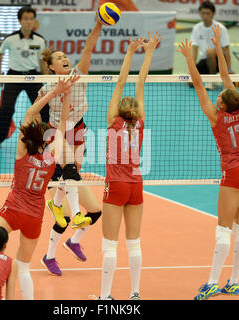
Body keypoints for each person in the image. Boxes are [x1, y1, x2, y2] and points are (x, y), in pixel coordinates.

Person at [177, 25, 239, 300]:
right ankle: (233, 282)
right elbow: (226, 74)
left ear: (223, 104)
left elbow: (198, 84)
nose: (215, 96)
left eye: (218, 97)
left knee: (223, 229)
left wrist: (188, 58)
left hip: (234, 173)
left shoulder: (216, 116)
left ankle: (213, 283)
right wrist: (218, 45)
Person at [0, 75, 80, 300]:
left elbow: (29, 114)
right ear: (45, 140)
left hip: (14, 210)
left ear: (27, 137)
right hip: (35, 217)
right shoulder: (51, 156)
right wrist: (66, 95)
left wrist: (54, 92)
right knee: (24, 268)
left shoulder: (22, 154)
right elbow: (65, 123)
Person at [38, 19, 104, 273]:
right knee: (71, 175)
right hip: (56, 134)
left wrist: (98, 24)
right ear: (51, 67)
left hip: (77, 130)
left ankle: (71, 238)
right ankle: (70, 216)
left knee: (95, 210)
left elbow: (88, 47)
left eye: (65, 55)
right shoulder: (46, 88)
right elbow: (37, 117)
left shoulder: (78, 75)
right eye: (59, 57)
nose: (65, 58)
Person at [99, 33, 161, 301]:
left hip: (116, 186)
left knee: (109, 245)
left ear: (118, 110)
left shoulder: (113, 120)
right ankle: (135, 292)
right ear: (134, 111)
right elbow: (139, 83)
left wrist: (130, 53)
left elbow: (122, 81)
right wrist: (148, 53)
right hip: (136, 186)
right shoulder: (141, 123)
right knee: (133, 241)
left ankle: (105, 296)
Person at [0, 6, 49, 149]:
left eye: (31, 19)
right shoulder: (11, 39)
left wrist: (46, 79)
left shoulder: (40, 40)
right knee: (6, 108)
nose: (29, 22)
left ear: (34, 21)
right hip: (14, 77)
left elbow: (42, 60)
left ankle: (46, 137)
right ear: (20, 20)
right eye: (26, 19)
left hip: (33, 76)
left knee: (43, 108)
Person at [191, 1, 233, 89]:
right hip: (205, 61)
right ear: (199, 13)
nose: (205, 16)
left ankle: (212, 80)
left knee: (210, 52)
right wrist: (192, 69)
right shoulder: (196, 28)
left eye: (207, 13)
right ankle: (211, 77)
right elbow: (194, 50)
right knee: (191, 83)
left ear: (213, 14)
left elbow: (226, 50)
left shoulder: (220, 28)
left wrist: (228, 69)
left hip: (220, 61)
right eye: (203, 13)